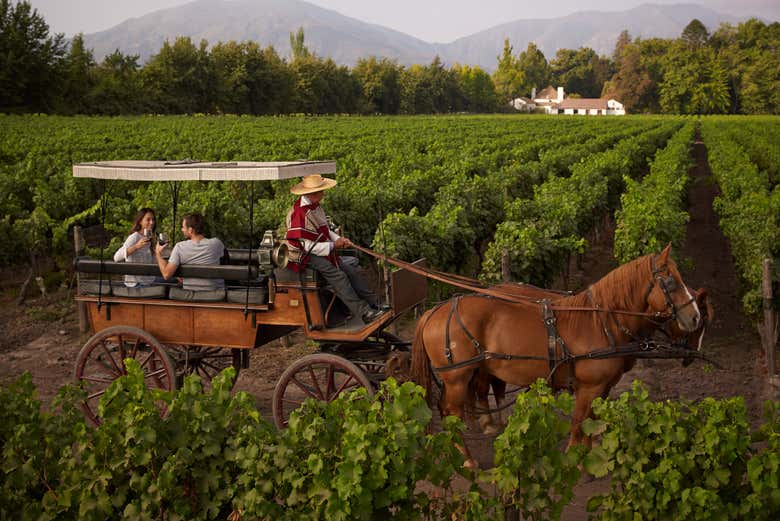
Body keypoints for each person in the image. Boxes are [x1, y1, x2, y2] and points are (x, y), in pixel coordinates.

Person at [285, 174, 383, 324]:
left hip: (319, 248)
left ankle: (374, 303)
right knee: (339, 276)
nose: (323, 194)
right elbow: (307, 246)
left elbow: (325, 231)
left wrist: (338, 240)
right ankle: (363, 313)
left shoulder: (315, 207)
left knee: (352, 271)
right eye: (321, 191)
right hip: (304, 255)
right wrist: (333, 246)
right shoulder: (299, 214)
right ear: (312, 193)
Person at [155, 213, 227, 294]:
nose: (182, 230)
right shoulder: (217, 243)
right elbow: (225, 259)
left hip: (190, 291)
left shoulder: (180, 247)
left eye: (183, 227)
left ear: (190, 230)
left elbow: (166, 274)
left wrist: (158, 253)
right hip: (214, 292)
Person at [113, 207, 159, 287]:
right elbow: (116, 257)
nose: (151, 222)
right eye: (148, 220)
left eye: (153, 219)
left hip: (149, 280)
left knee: (174, 280)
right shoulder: (134, 237)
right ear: (140, 221)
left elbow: (154, 262)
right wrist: (136, 246)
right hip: (136, 283)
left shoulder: (150, 238)